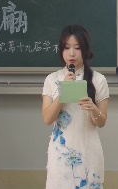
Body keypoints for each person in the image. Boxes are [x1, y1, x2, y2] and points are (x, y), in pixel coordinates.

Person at [42, 25, 110, 189]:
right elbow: (47, 119)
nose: (71, 53)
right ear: (61, 50)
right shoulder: (52, 79)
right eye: (67, 48)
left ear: (85, 50)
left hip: (88, 151)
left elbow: (101, 122)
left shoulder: (98, 80)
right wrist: (63, 91)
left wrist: (93, 108)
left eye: (77, 48)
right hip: (61, 154)